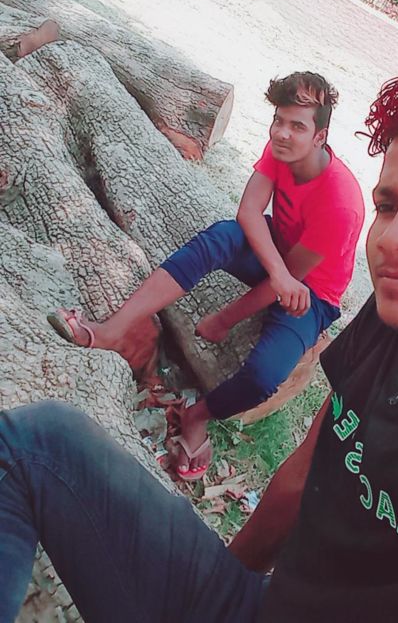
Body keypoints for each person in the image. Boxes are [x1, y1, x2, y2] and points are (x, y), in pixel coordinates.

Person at [2, 60, 398, 623]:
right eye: (389, 205)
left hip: (305, 295)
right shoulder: (389, 330)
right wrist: (218, 586)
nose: (393, 238)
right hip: (253, 606)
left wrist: (233, 315)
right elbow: (297, 481)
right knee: (32, 442)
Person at [47, 71, 365, 480]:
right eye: (278, 121)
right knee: (222, 237)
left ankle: (198, 417)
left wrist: (225, 318)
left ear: (320, 137)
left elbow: (288, 281)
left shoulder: (340, 203)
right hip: (280, 255)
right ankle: (112, 329)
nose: (282, 133)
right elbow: (248, 213)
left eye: (297, 126)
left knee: (264, 376)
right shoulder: (282, 148)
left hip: (312, 293)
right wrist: (277, 272)